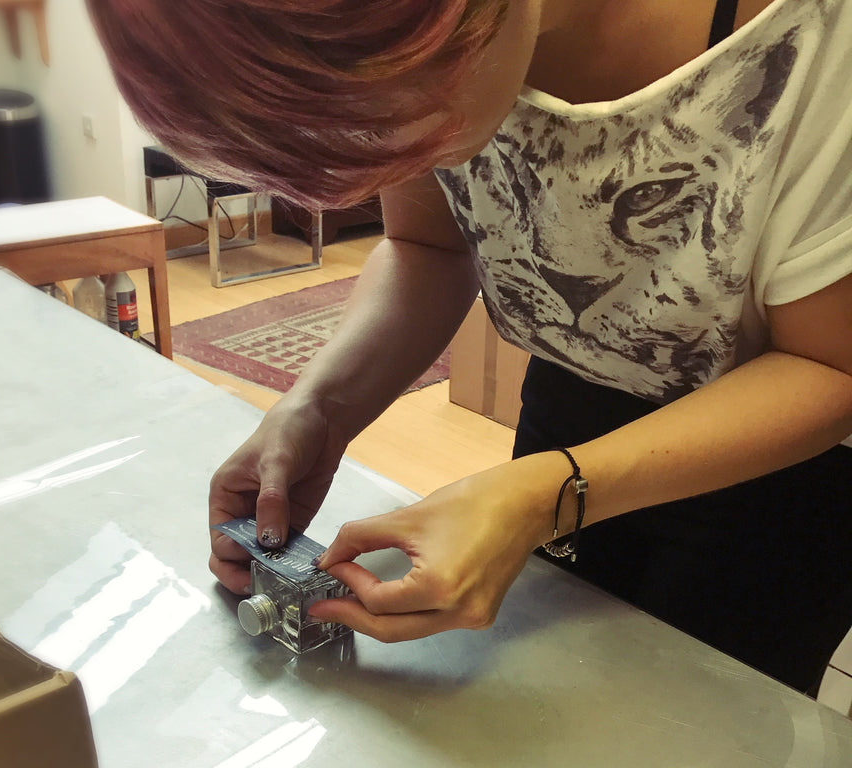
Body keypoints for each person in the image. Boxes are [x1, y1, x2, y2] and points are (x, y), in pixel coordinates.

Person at [87, 0, 852, 696]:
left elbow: (829, 365)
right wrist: (319, 405)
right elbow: (427, 245)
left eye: (380, 133)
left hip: (783, 471)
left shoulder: (818, 39)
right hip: (567, 409)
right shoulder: (426, 50)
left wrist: (543, 497)